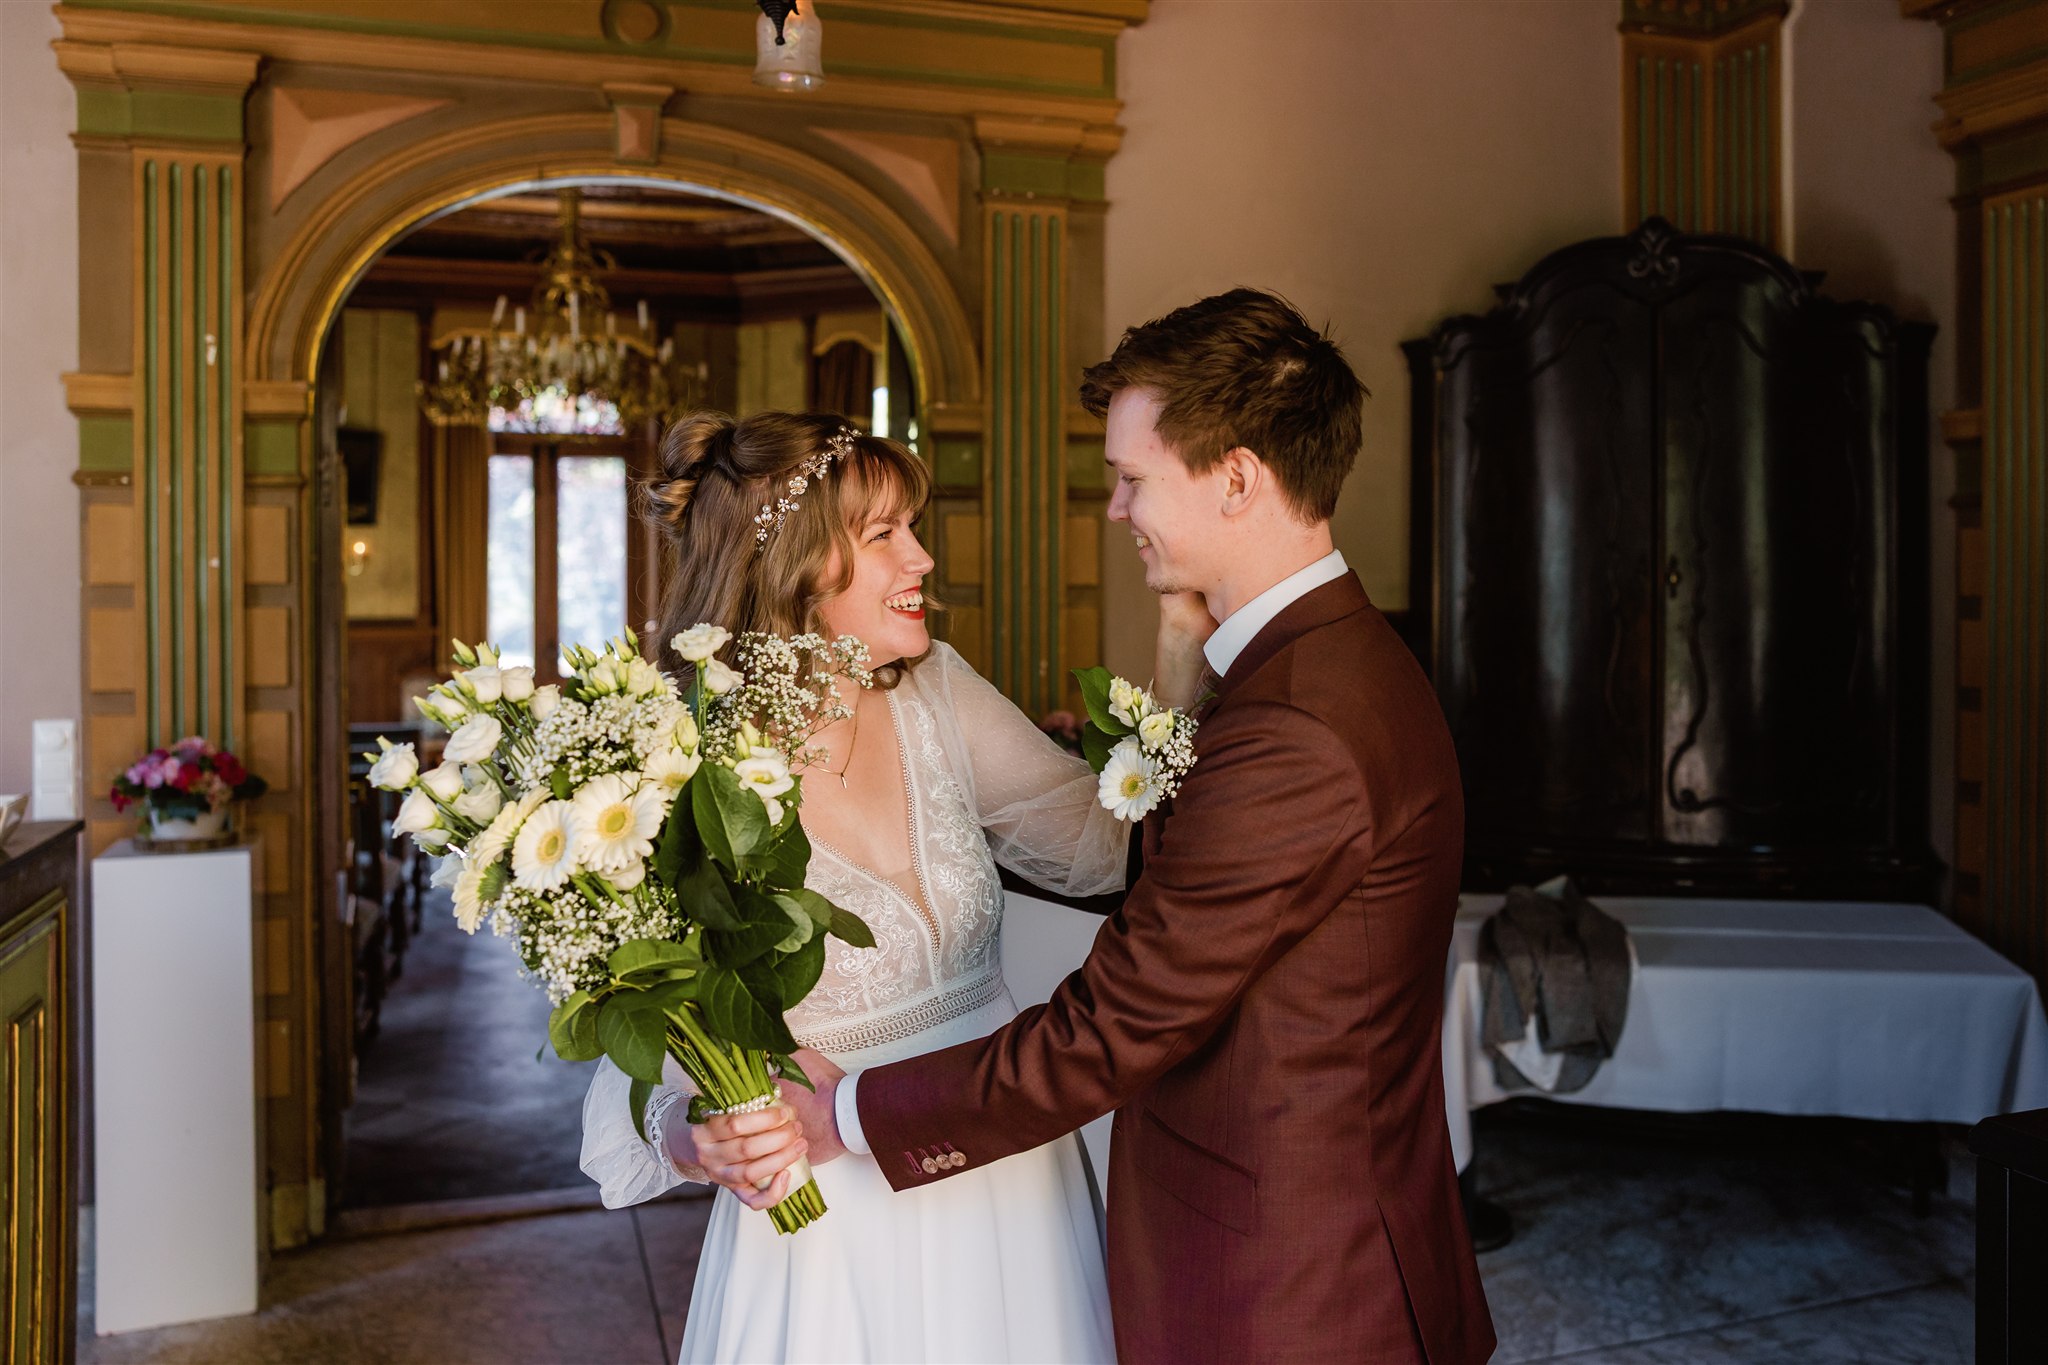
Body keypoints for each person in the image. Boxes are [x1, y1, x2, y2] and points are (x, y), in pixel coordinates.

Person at [698, 290, 1499, 1363]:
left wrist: (845, 1119)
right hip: (895, 1219)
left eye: (1131, 481)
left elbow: (1119, 1011)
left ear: (1236, 479)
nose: (1115, 511)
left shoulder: (1295, 724)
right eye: (884, 533)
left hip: (1289, 1276)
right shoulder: (1319, 672)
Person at [578, 409, 1137, 1364]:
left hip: (1009, 1179)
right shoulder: (678, 769)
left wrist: (1191, 652)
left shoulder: (940, 690)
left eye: (912, 528)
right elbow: (632, 1076)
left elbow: (1103, 848)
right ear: (793, 564)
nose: (921, 558)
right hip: (835, 1237)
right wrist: (697, 1137)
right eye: (885, 535)